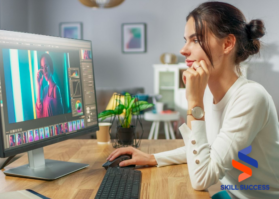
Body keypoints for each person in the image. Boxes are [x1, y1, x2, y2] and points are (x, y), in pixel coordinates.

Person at [107, 2, 279, 199]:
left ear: (227, 44)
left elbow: (202, 178)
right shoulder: (208, 94)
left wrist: (194, 103)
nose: (183, 50)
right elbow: (208, 149)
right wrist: (152, 158)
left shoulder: (250, 97)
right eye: (185, 40)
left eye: (196, 40)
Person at [36, 53, 64, 118]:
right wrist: (39, 87)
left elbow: (59, 117)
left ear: (51, 66)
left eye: (46, 66)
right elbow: (39, 116)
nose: (44, 71)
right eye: (42, 68)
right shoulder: (44, 90)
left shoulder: (56, 89)